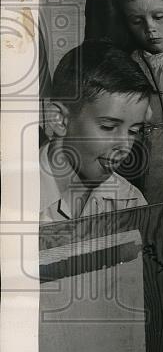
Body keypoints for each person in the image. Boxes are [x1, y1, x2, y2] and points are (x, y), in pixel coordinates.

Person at [40, 40, 155, 221]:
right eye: (108, 127)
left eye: (133, 131)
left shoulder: (129, 201)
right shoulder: (13, 198)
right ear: (59, 120)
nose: (124, 147)